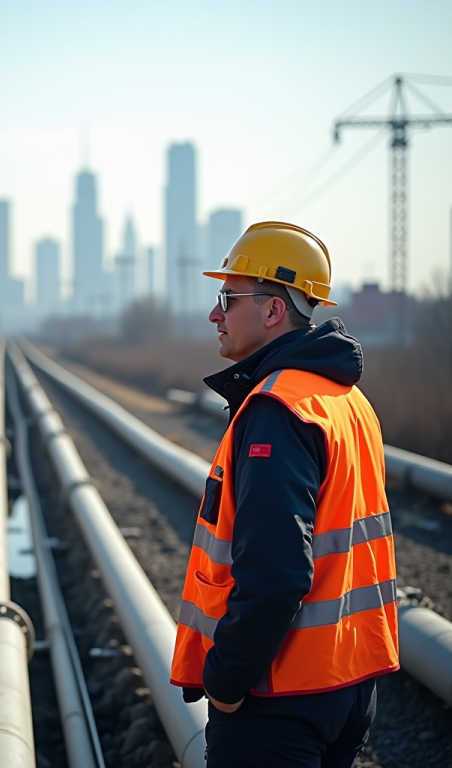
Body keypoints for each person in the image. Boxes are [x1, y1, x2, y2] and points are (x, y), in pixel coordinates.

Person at [170, 222, 399, 768]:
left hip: (280, 696)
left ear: (273, 311)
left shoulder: (278, 409)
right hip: (348, 682)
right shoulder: (345, 400)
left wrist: (226, 681)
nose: (214, 314)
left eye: (228, 298)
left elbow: (277, 571)